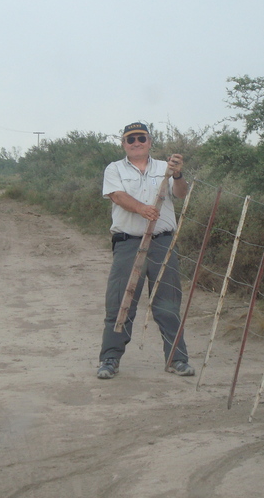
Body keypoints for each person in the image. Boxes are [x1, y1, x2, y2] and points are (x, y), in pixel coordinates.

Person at [97, 122, 195, 379]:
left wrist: (177, 175)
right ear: (124, 144)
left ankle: (177, 359)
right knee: (120, 303)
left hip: (162, 242)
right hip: (128, 242)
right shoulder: (114, 168)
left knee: (168, 304)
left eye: (141, 138)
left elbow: (181, 193)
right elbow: (117, 196)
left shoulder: (166, 168)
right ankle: (109, 359)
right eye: (131, 139)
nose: (136, 142)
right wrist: (142, 209)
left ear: (149, 141)